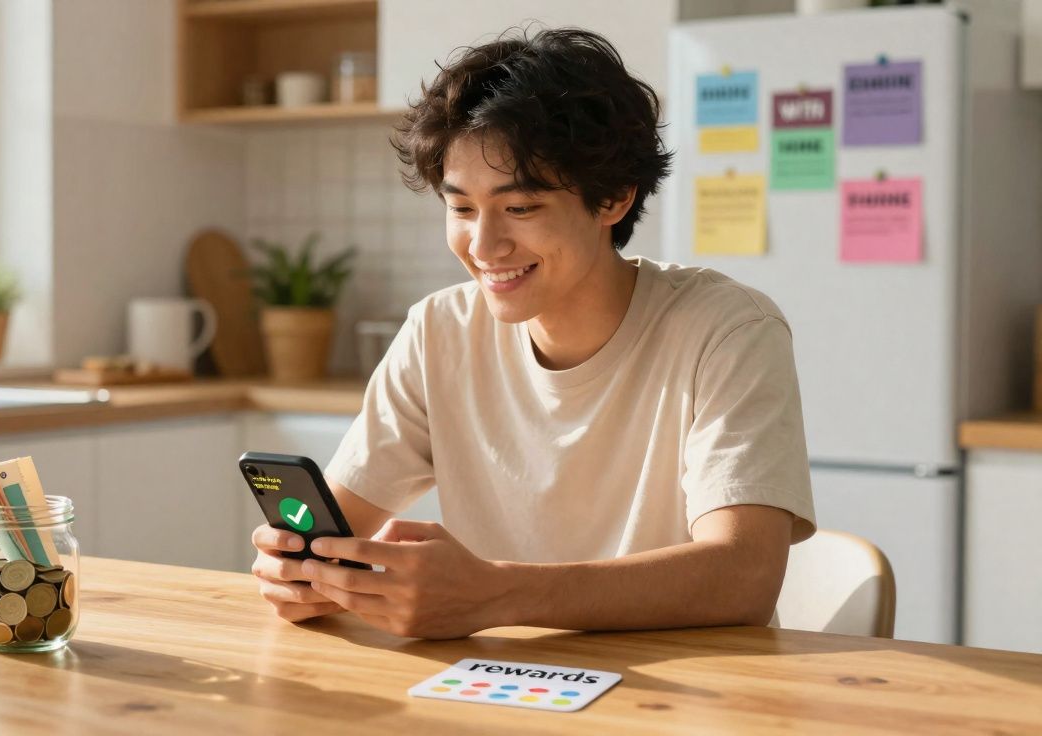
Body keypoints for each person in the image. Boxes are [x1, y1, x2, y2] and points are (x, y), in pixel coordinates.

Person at [250, 27, 815, 640]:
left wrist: (492, 595)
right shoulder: (438, 332)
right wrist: (303, 570)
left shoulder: (727, 330)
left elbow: (744, 576)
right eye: (462, 209)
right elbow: (334, 529)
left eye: (520, 208)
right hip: (505, 690)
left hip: (691, 699)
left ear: (615, 198)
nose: (485, 245)